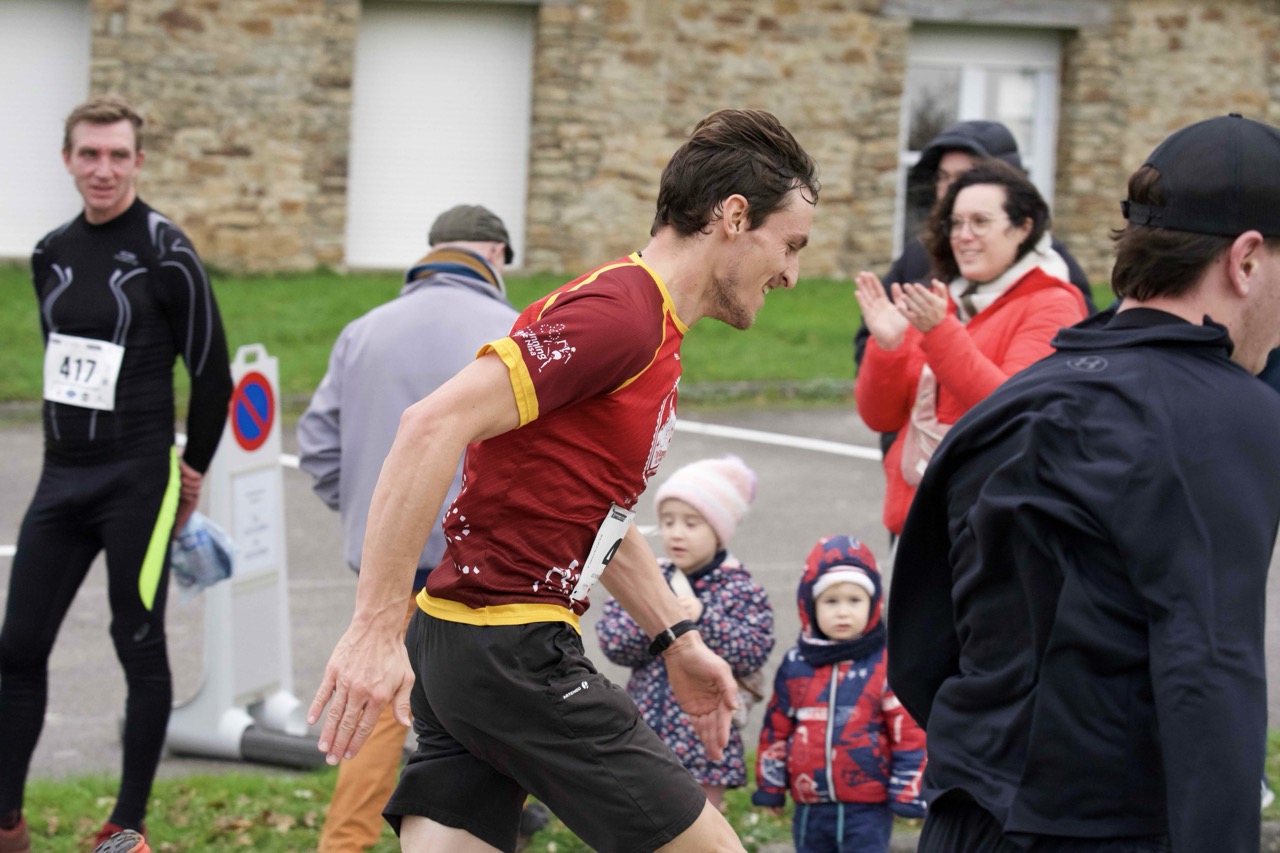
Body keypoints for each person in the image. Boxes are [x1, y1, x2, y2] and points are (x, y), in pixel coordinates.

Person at [306, 108, 819, 852]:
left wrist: (676, 638)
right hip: (511, 648)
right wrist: (373, 627)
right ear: (734, 218)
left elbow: (593, 513)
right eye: (790, 245)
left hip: (463, 646)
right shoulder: (620, 314)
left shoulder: (654, 330)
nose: (793, 274)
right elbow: (429, 426)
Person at [887, 114, 1280, 852]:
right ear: (1248, 260)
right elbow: (1209, 669)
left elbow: (919, 637)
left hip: (966, 817)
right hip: (1105, 827)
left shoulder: (1015, 398)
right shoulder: (1232, 414)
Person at [0, 97, 232, 853]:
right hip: (61, 477)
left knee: (136, 638)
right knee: (17, 646)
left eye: (118, 155)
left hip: (138, 479)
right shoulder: (50, 252)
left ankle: (125, 826)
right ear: (68, 160)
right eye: (90, 154)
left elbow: (213, 374)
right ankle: (7, 820)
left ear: (138, 161)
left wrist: (191, 468)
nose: (103, 169)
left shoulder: (166, 250)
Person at [296, 205, 521, 852]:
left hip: (389, 566)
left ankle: (344, 843)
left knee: (375, 708)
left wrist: (373, 516)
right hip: (480, 564)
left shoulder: (363, 330)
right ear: (495, 254)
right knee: (489, 709)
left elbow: (317, 445)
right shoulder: (515, 331)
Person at [852, 120, 1096, 490]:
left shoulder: (1054, 302)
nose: (963, 236)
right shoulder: (943, 292)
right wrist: (886, 347)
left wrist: (939, 333)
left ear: (1022, 227)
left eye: (980, 222)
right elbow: (880, 418)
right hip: (916, 507)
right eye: (956, 223)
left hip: (987, 510)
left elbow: (1010, 413)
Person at [596, 454, 775, 814]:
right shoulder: (649, 577)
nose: (676, 532)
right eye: (668, 521)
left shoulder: (740, 588)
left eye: (691, 523)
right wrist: (661, 622)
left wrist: (702, 619)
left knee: (702, 823)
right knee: (645, 822)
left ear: (719, 529)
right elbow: (613, 641)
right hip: (647, 737)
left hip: (705, 739)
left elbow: (753, 650)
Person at [751, 535, 926, 852]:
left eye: (854, 600)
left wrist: (907, 789)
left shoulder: (884, 663)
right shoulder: (797, 664)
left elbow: (908, 732)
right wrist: (771, 785)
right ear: (809, 605)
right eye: (831, 602)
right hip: (810, 802)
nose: (843, 612)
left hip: (868, 805)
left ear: (874, 603)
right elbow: (776, 727)